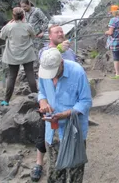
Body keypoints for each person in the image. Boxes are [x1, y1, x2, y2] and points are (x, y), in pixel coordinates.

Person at [38, 48, 92, 183]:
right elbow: (42, 92)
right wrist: (43, 102)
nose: (51, 77)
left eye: (54, 73)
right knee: (55, 172)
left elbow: (86, 101)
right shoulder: (44, 71)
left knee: (74, 173)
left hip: (73, 130)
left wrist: (65, 114)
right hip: (52, 130)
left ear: (61, 63)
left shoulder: (77, 72)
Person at [30, 25, 76, 182]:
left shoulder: (69, 51)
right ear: (50, 36)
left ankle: (67, 162)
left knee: (69, 133)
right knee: (44, 131)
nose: (61, 33)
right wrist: (59, 49)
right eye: (57, 32)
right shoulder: (45, 51)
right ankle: (39, 163)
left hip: (69, 101)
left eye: (62, 31)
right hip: (50, 101)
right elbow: (45, 60)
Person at [0, 7, 37, 106]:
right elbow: (33, 36)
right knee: (30, 75)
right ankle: (37, 97)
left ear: (13, 16)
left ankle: (6, 101)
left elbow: (2, 36)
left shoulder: (9, 27)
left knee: (12, 77)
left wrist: (8, 23)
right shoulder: (27, 26)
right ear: (23, 16)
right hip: (27, 54)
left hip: (13, 55)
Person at [105, 6, 119, 79]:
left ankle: (117, 74)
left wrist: (106, 32)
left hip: (115, 41)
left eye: (111, 12)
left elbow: (110, 32)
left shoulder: (113, 20)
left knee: (115, 58)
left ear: (113, 12)